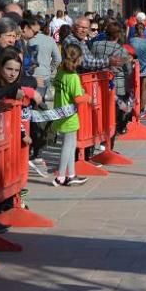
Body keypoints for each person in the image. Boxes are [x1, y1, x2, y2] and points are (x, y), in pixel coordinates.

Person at [50, 43, 88, 187]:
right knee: (67, 145)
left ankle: (71, 174)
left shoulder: (61, 72)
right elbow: (78, 98)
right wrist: (88, 97)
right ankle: (60, 176)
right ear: (77, 59)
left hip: (60, 111)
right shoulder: (73, 77)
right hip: (69, 114)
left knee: (71, 144)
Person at [92, 21, 133, 134]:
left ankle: (99, 131)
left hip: (98, 84)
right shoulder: (122, 50)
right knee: (114, 113)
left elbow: (91, 62)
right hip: (117, 87)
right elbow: (129, 71)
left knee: (100, 110)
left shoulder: (95, 45)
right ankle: (110, 137)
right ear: (118, 35)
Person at [129, 21, 146, 115]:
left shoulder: (131, 41)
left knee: (135, 88)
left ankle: (134, 107)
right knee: (144, 89)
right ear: (144, 30)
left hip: (134, 68)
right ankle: (141, 109)